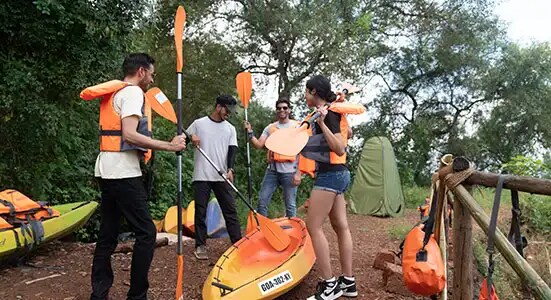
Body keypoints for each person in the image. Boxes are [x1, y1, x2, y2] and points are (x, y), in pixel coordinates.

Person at [84, 53, 187, 300]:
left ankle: (99, 294)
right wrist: (169, 146)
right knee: (146, 233)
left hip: (106, 169)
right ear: (141, 71)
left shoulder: (115, 92)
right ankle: (137, 296)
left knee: (108, 233)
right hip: (122, 172)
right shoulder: (131, 93)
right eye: (151, 74)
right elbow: (129, 135)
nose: (152, 79)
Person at [300, 75, 357, 300]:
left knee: (313, 226)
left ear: (314, 92)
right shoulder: (332, 110)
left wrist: (322, 123)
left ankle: (330, 285)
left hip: (330, 176)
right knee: (340, 226)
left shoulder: (329, 113)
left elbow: (340, 148)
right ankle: (348, 282)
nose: (304, 96)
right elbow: (349, 134)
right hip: (339, 174)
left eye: (306, 92)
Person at [187, 95, 243, 260]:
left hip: (221, 175)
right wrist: (191, 138)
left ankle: (238, 244)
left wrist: (230, 169)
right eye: (227, 109)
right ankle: (200, 245)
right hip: (202, 174)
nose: (229, 114)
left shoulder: (230, 128)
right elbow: (181, 138)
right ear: (218, 107)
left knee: (230, 210)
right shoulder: (199, 124)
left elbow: (232, 150)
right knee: (201, 210)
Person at [244, 97, 301, 217]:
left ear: (289, 110)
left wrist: (298, 173)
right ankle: (262, 230)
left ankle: (293, 233)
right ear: (276, 110)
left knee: (290, 205)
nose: (282, 110)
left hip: (290, 171)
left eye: (285, 108)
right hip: (273, 170)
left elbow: (303, 151)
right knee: (262, 201)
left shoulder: (297, 127)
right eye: (279, 108)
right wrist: (250, 132)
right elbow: (259, 144)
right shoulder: (270, 128)